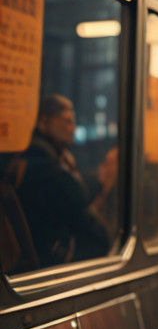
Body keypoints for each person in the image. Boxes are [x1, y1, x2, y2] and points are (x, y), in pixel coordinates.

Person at [15, 94, 109, 267]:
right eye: (66, 121)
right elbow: (76, 200)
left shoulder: (54, 156)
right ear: (44, 122)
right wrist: (101, 179)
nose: (72, 128)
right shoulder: (39, 157)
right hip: (45, 258)